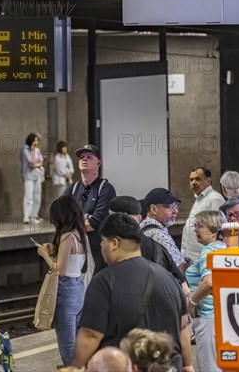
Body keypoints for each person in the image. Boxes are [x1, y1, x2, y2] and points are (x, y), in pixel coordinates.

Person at [71, 213, 192, 372]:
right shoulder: (169, 279)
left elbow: (90, 336)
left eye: (103, 241)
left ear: (114, 243)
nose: (102, 246)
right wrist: (188, 365)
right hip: (169, 366)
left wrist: (74, 368)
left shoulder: (104, 282)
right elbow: (183, 328)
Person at [34, 196, 90, 366]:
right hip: (78, 288)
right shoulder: (81, 234)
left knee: (67, 341)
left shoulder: (67, 236)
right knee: (76, 336)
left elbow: (59, 270)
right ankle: (77, 366)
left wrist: (44, 254)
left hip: (66, 290)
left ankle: (71, 368)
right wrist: (54, 250)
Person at [108, 196, 187, 289]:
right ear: (138, 218)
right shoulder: (153, 241)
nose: (175, 211)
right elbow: (180, 276)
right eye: (168, 206)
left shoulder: (109, 246)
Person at [185, 210, 227, 372]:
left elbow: (210, 281)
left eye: (200, 226)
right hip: (222, 316)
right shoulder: (223, 247)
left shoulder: (208, 250)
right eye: (195, 225)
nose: (196, 229)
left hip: (208, 317)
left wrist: (192, 303)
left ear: (215, 229)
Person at [64, 144, 116, 274]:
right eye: (82, 157)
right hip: (75, 252)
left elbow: (96, 222)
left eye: (89, 156)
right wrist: (87, 218)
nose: (84, 159)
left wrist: (75, 222)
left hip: (98, 251)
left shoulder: (105, 189)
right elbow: (61, 220)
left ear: (98, 163)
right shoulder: (72, 189)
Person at [181, 167, 225, 262]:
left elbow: (217, 229)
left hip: (203, 256)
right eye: (191, 180)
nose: (193, 182)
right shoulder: (199, 199)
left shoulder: (214, 199)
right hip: (192, 256)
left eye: (198, 179)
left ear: (208, 180)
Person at [139, 188, 187, 271]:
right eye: (169, 207)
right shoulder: (158, 234)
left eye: (175, 206)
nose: (175, 211)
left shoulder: (142, 226)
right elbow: (179, 270)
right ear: (154, 209)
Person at [21, 133, 44, 224]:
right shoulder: (25, 151)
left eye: (37, 141)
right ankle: (26, 216)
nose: (36, 142)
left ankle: (34, 215)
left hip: (37, 175)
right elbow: (31, 162)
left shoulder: (38, 150)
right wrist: (36, 163)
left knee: (37, 196)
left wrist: (37, 164)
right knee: (28, 196)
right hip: (28, 176)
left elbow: (40, 162)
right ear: (30, 141)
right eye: (34, 140)